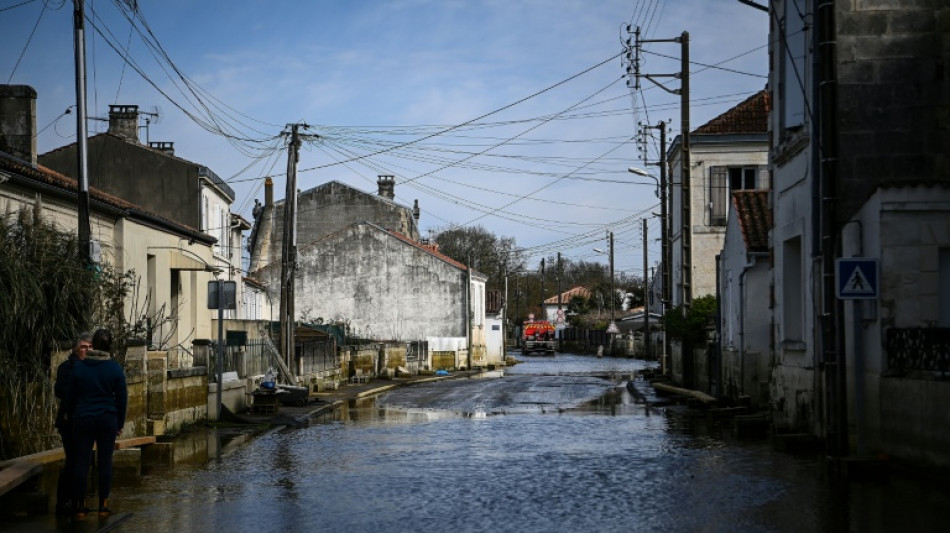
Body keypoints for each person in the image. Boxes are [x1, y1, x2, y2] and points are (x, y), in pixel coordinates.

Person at [67, 328, 127, 519]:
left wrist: (71, 415)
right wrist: (119, 422)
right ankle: (103, 506)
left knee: (81, 462)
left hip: (83, 418)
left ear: (93, 344)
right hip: (107, 418)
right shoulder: (115, 369)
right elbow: (122, 398)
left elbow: (70, 396)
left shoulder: (80, 367)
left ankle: (80, 507)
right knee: (105, 462)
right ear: (110, 346)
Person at [53, 332, 93, 515]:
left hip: (86, 419)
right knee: (73, 461)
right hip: (69, 420)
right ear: (77, 349)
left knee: (82, 460)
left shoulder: (94, 367)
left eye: (90, 347)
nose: (87, 350)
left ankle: (77, 500)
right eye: (84, 347)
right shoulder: (66, 368)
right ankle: (63, 501)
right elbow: (59, 390)